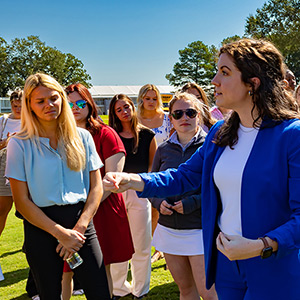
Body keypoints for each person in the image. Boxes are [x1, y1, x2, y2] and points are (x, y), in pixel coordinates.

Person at [103, 38, 300, 299]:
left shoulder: (291, 136)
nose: (214, 80)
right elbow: (184, 175)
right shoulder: (220, 132)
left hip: (272, 264)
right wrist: (134, 180)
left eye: (225, 72)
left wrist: (260, 246)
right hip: (226, 263)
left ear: (253, 83)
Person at [5, 73, 110, 300]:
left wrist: (79, 229)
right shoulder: (19, 144)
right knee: (49, 295)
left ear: (62, 98)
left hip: (81, 226)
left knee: (100, 292)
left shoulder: (82, 137)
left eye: (53, 98)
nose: (49, 105)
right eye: (40, 101)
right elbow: (21, 201)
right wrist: (59, 233)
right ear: (29, 106)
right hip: (40, 227)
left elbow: (96, 187)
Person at [62, 83, 134, 299]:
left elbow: (112, 181)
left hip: (102, 209)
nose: (75, 108)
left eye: (80, 102)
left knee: (102, 270)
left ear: (90, 104)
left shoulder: (105, 134)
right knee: (64, 270)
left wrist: (86, 211)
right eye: (69, 103)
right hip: (66, 211)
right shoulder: (59, 136)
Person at [150, 92, 217, 300]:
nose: (184, 118)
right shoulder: (163, 150)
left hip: (200, 229)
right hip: (170, 229)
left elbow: (217, 188)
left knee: (208, 293)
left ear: (199, 115)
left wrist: (191, 204)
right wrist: (159, 203)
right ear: (170, 118)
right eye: (178, 114)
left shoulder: (212, 147)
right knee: (186, 290)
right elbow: (153, 184)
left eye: (190, 112)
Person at [109, 94, 157, 299]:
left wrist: (143, 189)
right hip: (116, 192)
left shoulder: (147, 135)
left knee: (142, 243)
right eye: (119, 109)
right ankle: (119, 288)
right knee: (119, 243)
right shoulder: (112, 135)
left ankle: (140, 289)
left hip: (139, 190)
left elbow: (152, 166)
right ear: (114, 113)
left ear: (133, 107)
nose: (124, 112)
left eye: (126, 107)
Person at [137, 84, 172, 263]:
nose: (151, 102)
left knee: (160, 208)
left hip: (164, 169)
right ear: (141, 99)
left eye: (154, 98)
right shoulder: (135, 119)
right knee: (145, 211)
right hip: (142, 169)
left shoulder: (167, 118)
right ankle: (149, 246)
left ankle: (161, 249)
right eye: (147, 98)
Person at [0, 89, 22, 237]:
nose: (18, 109)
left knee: (29, 211)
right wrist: (6, 142)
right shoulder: (4, 120)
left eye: (21, 106)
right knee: (2, 210)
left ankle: (29, 245)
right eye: (15, 106)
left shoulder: (33, 120)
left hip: (25, 167)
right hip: (4, 167)